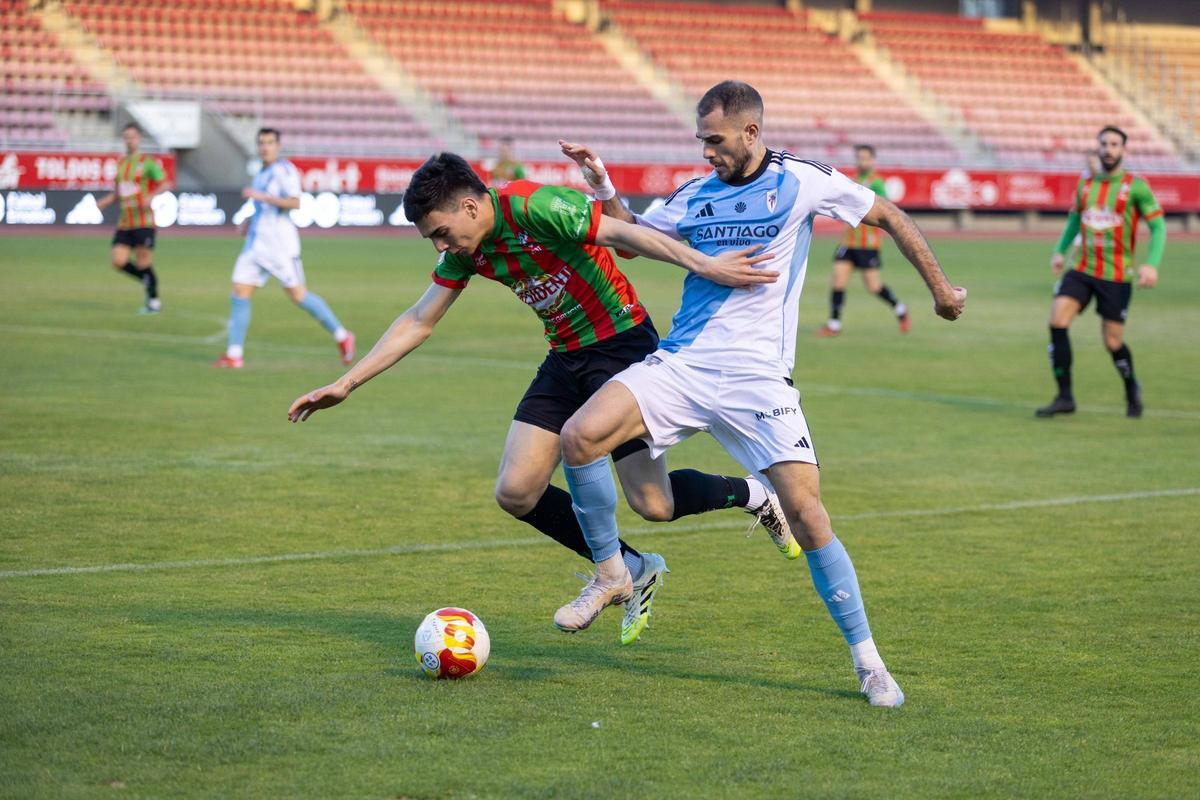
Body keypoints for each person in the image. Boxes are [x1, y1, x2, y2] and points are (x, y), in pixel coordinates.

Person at [555, 81, 967, 707]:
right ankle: (615, 573)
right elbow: (635, 238)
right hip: (682, 364)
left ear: (750, 133)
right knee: (581, 438)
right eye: (701, 142)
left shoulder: (803, 180)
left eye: (715, 141)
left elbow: (890, 215)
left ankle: (869, 662)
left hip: (758, 378)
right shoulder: (695, 194)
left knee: (809, 514)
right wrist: (604, 189)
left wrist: (939, 290)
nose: (706, 155)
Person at [287, 152, 800, 646]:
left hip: (620, 347)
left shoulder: (535, 206)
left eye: (441, 233)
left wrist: (709, 267)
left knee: (653, 503)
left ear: (469, 207)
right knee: (516, 491)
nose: (441, 247)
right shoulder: (470, 250)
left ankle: (754, 496)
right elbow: (420, 320)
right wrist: (346, 384)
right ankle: (626, 570)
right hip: (565, 359)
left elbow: (627, 234)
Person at [1037, 126, 1165, 419]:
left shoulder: (1136, 187)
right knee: (1057, 322)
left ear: (1124, 150)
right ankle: (1064, 397)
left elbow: (1158, 227)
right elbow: (1074, 221)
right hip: (1082, 269)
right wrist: (1060, 250)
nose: (1108, 149)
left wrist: (1151, 264)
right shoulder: (1086, 185)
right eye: (1104, 144)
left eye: (1114, 144)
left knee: (1112, 342)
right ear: (1098, 148)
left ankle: (1131, 386)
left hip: (1116, 275)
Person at [213, 128, 355, 369]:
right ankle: (234, 355)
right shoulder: (262, 173)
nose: (265, 147)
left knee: (298, 296)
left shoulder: (284, 171)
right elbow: (262, 207)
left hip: (280, 247)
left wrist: (262, 197)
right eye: (261, 143)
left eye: (269, 143)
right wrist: (249, 221)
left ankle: (342, 336)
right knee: (240, 291)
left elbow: (294, 202)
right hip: (257, 245)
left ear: (277, 146)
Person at [816, 144, 909, 336]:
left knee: (874, 287)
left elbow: (885, 211)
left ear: (873, 160)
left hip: (868, 245)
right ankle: (834, 324)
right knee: (838, 282)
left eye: (866, 158)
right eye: (859, 157)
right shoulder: (853, 181)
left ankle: (900, 309)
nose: (862, 161)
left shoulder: (877, 184)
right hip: (848, 242)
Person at [96, 123, 171, 314]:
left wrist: (151, 195)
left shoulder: (147, 162)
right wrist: (105, 202)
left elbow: (166, 183)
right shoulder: (121, 164)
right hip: (125, 221)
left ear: (139, 139)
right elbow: (119, 192)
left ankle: (153, 300)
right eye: (126, 137)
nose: (129, 140)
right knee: (118, 261)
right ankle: (149, 281)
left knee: (143, 262)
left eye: (132, 137)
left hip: (143, 221)